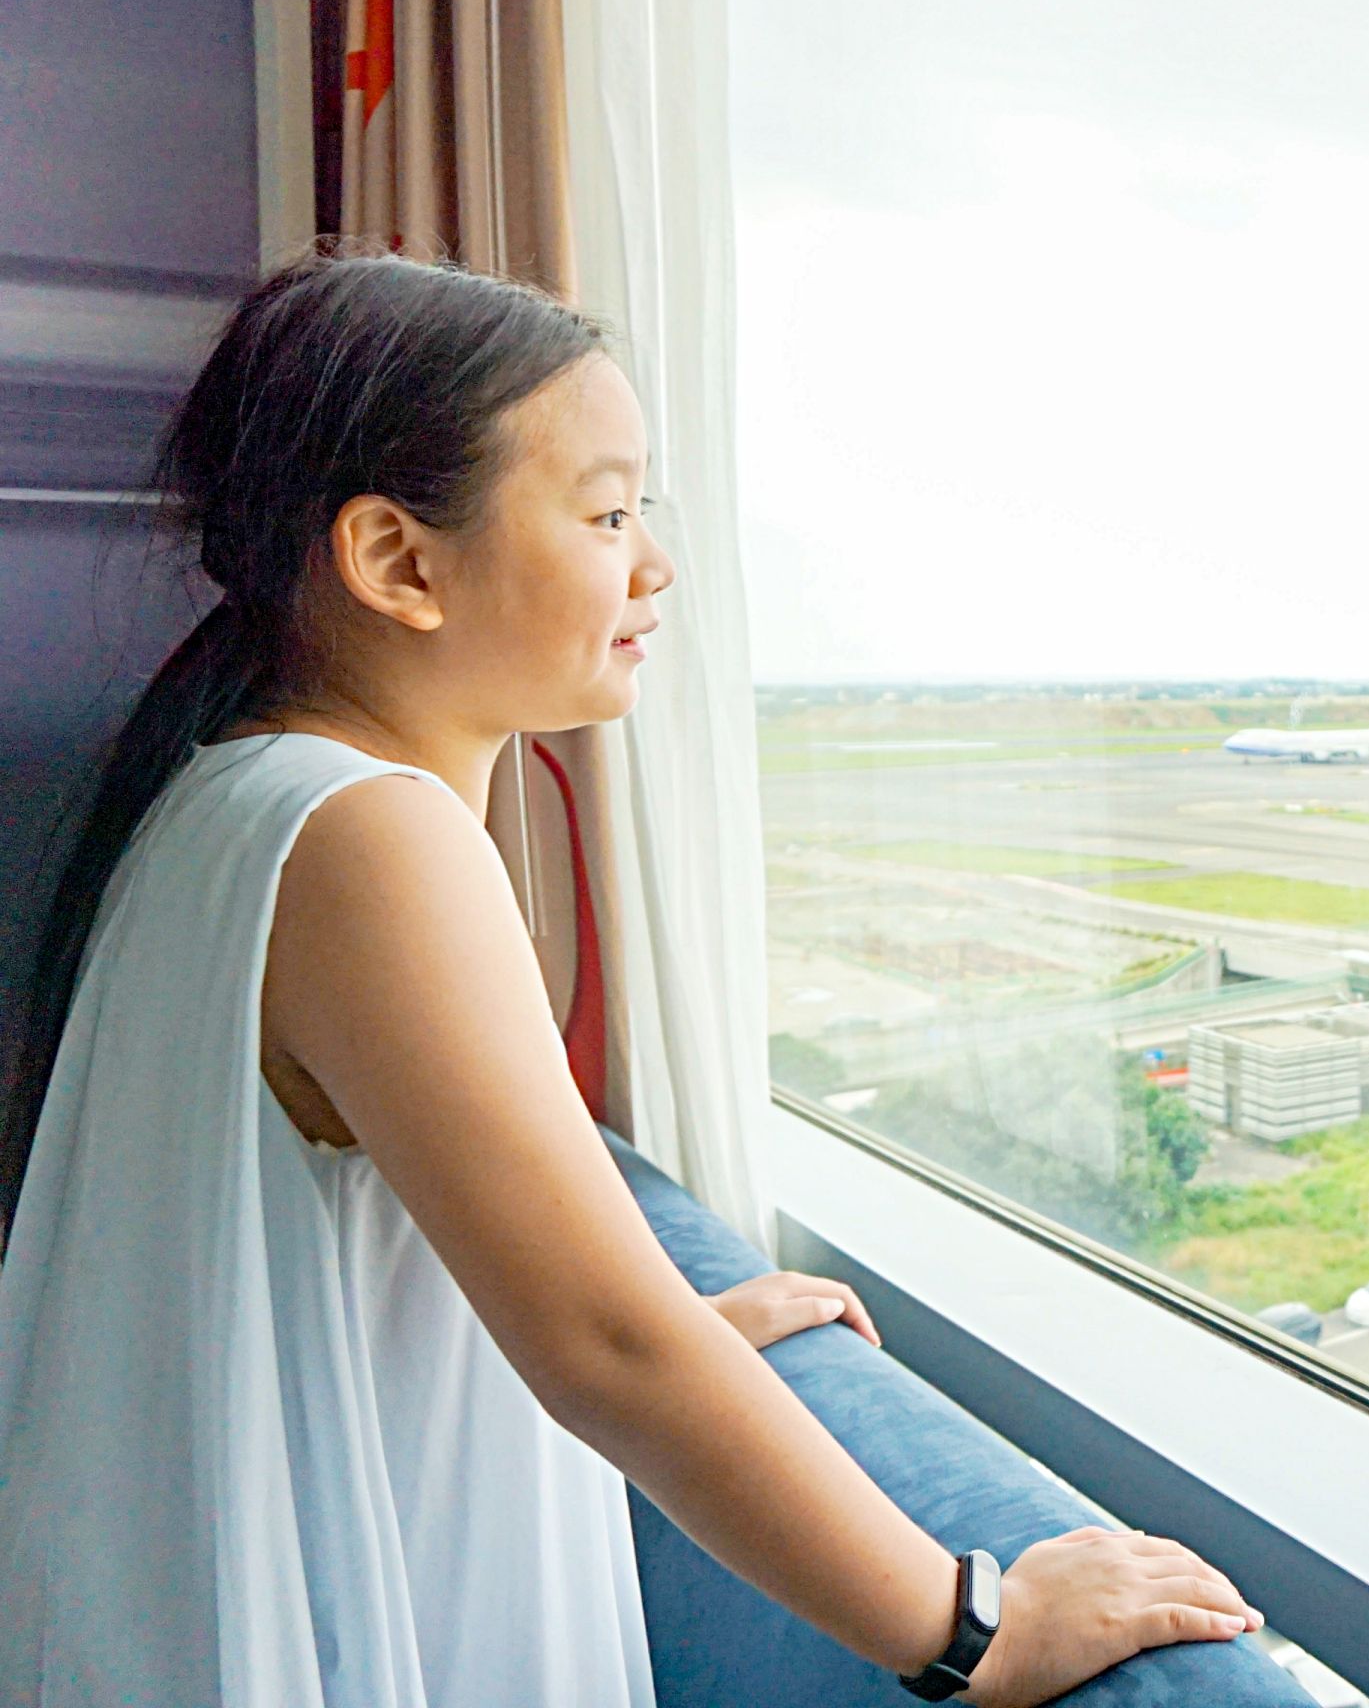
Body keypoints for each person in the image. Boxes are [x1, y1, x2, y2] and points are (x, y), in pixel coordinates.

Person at [0, 250, 1260, 1707]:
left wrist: (690, 1333)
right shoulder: (370, 835)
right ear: (398, 561)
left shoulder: (230, 792)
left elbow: (347, 1282)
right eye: (607, 514)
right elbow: (602, 1344)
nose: (653, 565)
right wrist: (976, 1627)